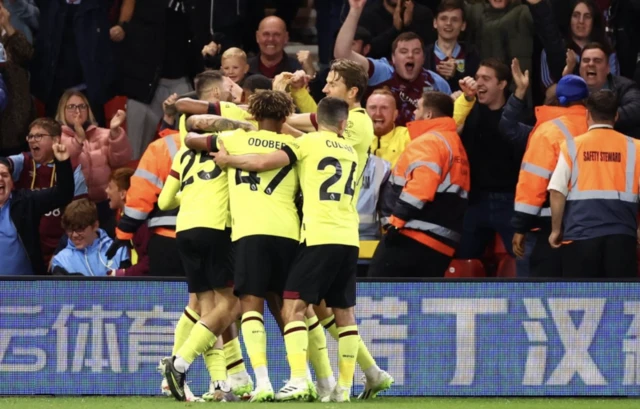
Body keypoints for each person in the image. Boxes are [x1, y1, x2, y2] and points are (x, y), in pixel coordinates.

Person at [211, 97, 362, 402]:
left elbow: (260, 161)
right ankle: (337, 385)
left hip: (307, 235)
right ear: (343, 125)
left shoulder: (247, 140)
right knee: (341, 313)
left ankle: (279, 381)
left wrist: (228, 158)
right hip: (343, 236)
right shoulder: (354, 152)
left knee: (283, 307)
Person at [285, 58, 393, 401]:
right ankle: (364, 375)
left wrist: (270, 107)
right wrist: (301, 92)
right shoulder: (343, 125)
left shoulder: (358, 124)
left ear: (353, 92)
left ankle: (311, 380)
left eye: (333, 83)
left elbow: (301, 125)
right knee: (329, 309)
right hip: (341, 227)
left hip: (326, 224)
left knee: (299, 307)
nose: (327, 88)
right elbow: (321, 119)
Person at [184, 90, 298, 402]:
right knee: (287, 309)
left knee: (250, 306)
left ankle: (262, 382)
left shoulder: (233, 138)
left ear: (253, 114)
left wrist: (236, 132)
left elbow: (191, 137)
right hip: (289, 231)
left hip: (249, 232)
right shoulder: (295, 144)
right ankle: (301, 377)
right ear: (285, 117)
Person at [159, 113, 239, 402]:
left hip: (185, 230)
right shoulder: (231, 144)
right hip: (216, 227)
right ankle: (178, 364)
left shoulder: (182, 154)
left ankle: (221, 384)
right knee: (231, 304)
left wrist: (192, 195)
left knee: (208, 311)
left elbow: (164, 201)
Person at [371, 91, 470, 277]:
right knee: (415, 301)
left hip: (413, 235)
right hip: (441, 241)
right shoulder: (453, 142)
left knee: (378, 293)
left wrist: (395, 223)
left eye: (417, 108)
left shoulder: (430, 141)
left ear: (428, 115)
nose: (414, 113)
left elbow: (420, 188)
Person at [548, 90, 640, 278]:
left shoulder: (571, 146)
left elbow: (557, 191)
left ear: (587, 114)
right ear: (616, 116)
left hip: (580, 237)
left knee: (582, 301)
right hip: (622, 237)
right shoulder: (636, 147)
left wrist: (556, 230)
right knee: (619, 301)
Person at [511, 75, 589, 277]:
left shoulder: (549, 131)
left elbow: (533, 181)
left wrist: (521, 226)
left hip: (552, 227)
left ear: (559, 100)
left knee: (546, 297)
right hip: (594, 225)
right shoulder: (599, 127)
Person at [334, 0, 451, 127]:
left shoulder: (438, 84)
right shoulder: (383, 71)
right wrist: (355, 10)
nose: (410, 55)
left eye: (416, 52)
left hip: (421, 143)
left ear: (423, 58)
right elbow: (342, 55)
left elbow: (451, 124)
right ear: (393, 58)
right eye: (404, 51)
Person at [8, 118, 88, 267]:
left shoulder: (73, 169)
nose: (32, 141)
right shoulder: (23, 161)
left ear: (55, 140)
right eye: (30, 136)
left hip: (62, 246)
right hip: (27, 246)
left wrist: (63, 251)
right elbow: (6, 164)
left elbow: (80, 217)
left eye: (39, 136)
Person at [56, 90, 132, 229]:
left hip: (104, 203)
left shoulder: (104, 134)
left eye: (82, 106)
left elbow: (121, 160)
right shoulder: (57, 137)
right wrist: (78, 139)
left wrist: (115, 132)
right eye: (71, 106)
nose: (77, 111)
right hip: (73, 206)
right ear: (63, 110)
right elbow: (66, 163)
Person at [0, 142, 74, 276]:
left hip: (27, 288)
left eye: (5, 175)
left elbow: (63, 194)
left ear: (12, 182)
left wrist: (62, 163)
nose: (0, 179)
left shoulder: (25, 201)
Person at [51, 199, 130, 276]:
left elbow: (129, 286)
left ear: (95, 225)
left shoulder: (119, 251)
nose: (74, 235)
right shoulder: (60, 260)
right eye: (69, 230)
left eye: (80, 229)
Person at [424, 0, 480, 93]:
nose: (448, 23)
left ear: (463, 25)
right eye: (443, 18)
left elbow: (476, 90)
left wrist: (456, 74)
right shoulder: (423, 55)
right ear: (435, 23)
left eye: (454, 20)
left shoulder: (472, 54)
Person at [105, 168, 150, 276]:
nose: (106, 190)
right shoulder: (121, 216)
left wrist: (124, 273)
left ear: (123, 194)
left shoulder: (142, 224)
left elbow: (150, 261)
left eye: (110, 187)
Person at [366, 88, 411, 167]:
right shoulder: (354, 137)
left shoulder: (409, 137)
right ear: (365, 113)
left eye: (384, 108)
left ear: (395, 114)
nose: (378, 113)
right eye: (373, 108)